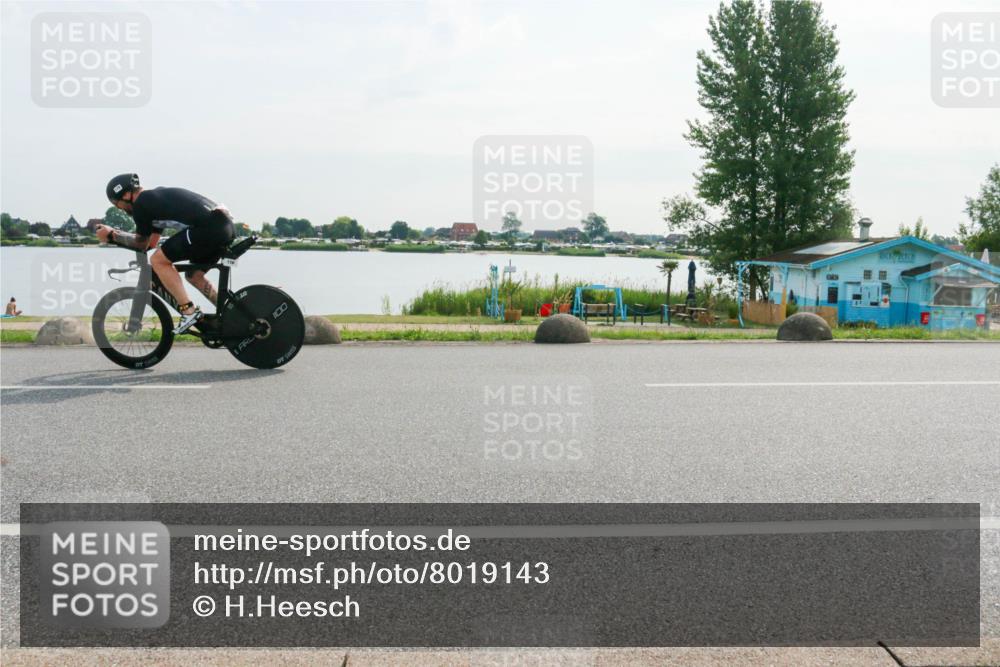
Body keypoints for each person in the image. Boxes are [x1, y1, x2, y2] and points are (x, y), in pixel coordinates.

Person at [96, 173, 235, 333]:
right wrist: (117, 237)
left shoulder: (141, 203)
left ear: (126, 195)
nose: (119, 209)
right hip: (224, 228)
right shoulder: (153, 202)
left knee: (158, 261)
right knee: (194, 276)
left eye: (117, 204)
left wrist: (112, 235)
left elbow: (140, 242)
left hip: (208, 229)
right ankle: (230, 312)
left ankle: (188, 311)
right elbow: (150, 244)